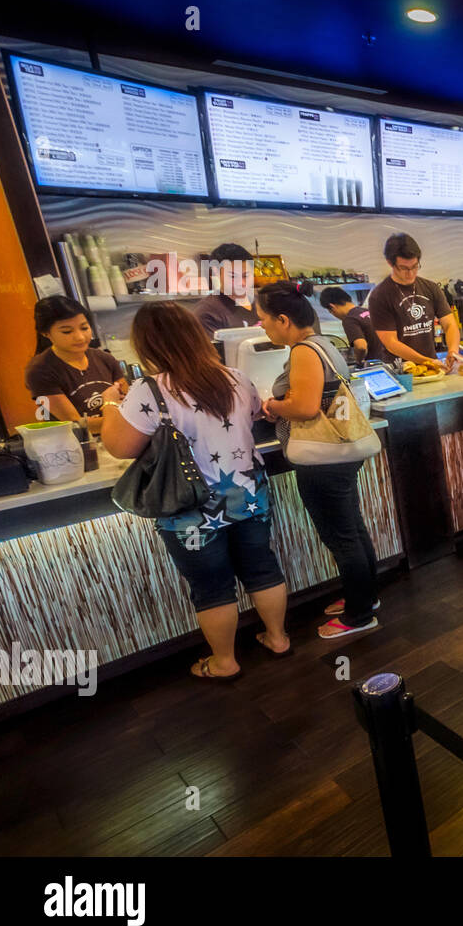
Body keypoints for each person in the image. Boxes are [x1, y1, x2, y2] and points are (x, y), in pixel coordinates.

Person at [98, 302, 289, 680]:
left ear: (147, 345)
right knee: (262, 567)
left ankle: (224, 662)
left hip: (190, 508)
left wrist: (108, 404)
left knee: (211, 586)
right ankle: (278, 638)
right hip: (249, 494)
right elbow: (251, 417)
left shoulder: (148, 389)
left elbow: (121, 448)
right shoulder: (235, 377)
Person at [257, 283, 381, 639]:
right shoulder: (324, 343)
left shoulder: (303, 351)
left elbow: (306, 407)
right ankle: (365, 598)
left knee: (342, 537)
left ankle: (359, 616)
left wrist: (274, 406)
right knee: (353, 530)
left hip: (321, 457)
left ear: (283, 320)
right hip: (339, 454)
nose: (262, 326)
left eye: (264, 319)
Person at [25, 295, 128, 432]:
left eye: (84, 328)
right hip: (77, 447)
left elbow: (129, 404)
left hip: (118, 439)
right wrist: (117, 412)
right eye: (67, 331)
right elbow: (77, 425)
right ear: (45, 333)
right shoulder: (40, 371)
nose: (80, 337)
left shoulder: (105, 358)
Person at [366, 233, 461, 371]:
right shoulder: (380, 296)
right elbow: (391, 342)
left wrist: (453, 350)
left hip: (432, 367)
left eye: (415, 266)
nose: (410, 273)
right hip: (400, 371)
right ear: (390, 263)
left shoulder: (430, 288)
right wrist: (427, 361)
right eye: (404, 268)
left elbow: (450, 324)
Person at [194, 242, 258, 337]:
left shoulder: (263, 304)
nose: (242, 283)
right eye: (233, 276)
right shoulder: (207, 312)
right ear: (216, 272)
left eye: (246, 275)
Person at [319, 286, 385, 364]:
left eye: (330, 312)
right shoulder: (367, 311)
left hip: (376, 364)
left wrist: (359, 361)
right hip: (391, 360)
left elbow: (361, 346)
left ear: (332, 307)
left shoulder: (349, 319)